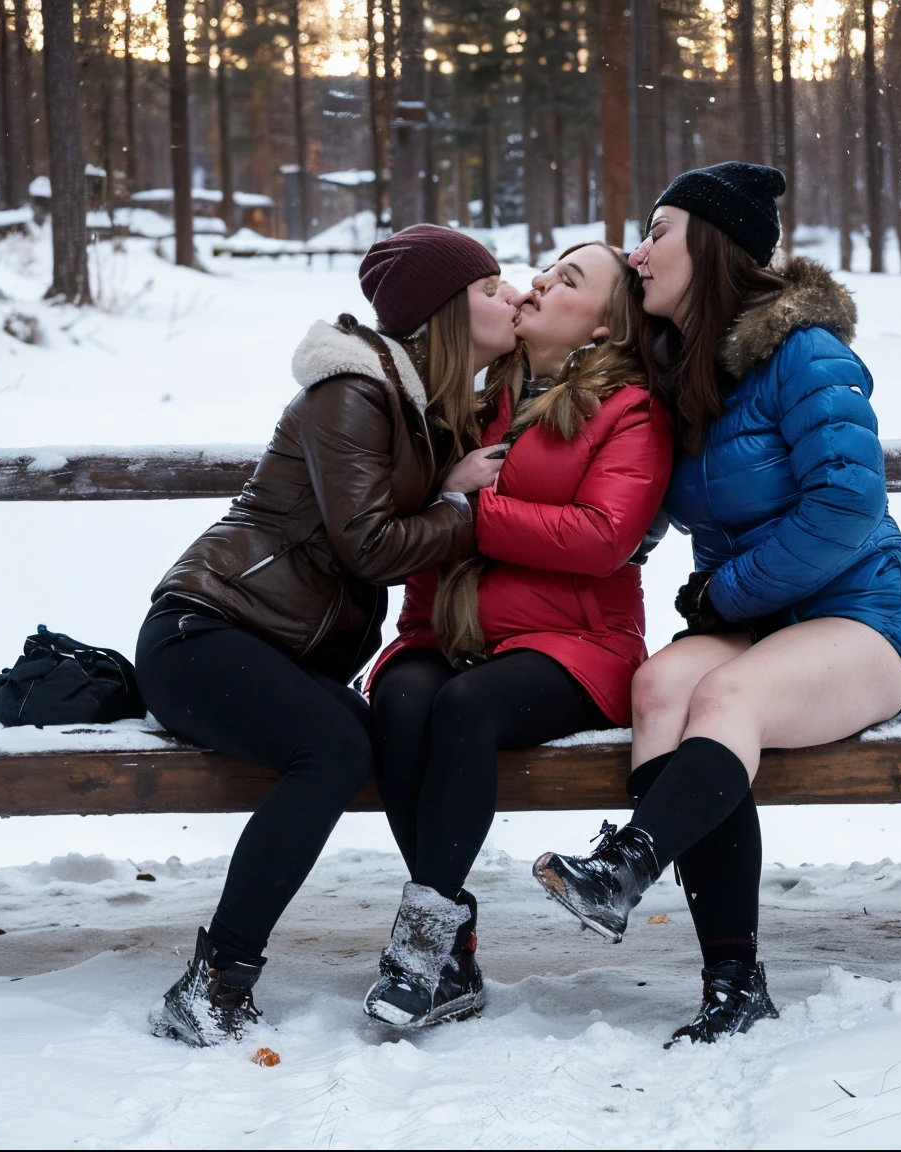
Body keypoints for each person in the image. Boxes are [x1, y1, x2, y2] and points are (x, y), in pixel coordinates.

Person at [531, 162, 901, 1046]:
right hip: (752, 623)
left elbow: (847, 503)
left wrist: (726, 592)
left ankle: (626, 864)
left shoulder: (806, 354)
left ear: (712, 246)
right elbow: (632, 509)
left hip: (864, 614)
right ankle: (734, 983)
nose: (638, 254)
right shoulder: (679, 372)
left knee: (724, 700)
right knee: (660, 690)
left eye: (658, 231)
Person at [138, 224, 521, 1047]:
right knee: (336, 752)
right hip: (203, 632)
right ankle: (214, 981)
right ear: (447, 313)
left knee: (374, 733)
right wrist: (455, 505)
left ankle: (446, 945)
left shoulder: (420, 400)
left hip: (273, 650)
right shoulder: (351, 393)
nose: (512, 297)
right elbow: (371, 546)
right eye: (492, 291)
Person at [362, 242, 674, 1028]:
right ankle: (454, 949)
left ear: (603, 330)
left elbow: (602, 535)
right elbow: (418, 516)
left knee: (465, 707)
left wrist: (471, 511)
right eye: (548, 268)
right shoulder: (475, 399)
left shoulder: (630, 408)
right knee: (402, 702)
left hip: (576, 644)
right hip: (459, 630)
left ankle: (420, 946)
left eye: (569, 280)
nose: (539, 283)